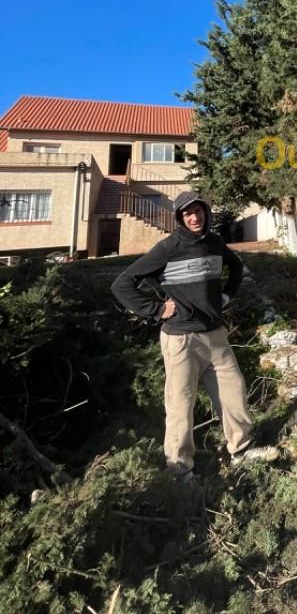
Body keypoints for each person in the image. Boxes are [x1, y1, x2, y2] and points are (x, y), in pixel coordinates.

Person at [112, 190, 275, 482]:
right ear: (179, 218)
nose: (194, 217)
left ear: (206, 213)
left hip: (215, 336)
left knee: (234, 392)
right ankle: (180, 472)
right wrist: (157, 310)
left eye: (198, 211)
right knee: (180, 405)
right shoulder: (168, 248)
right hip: (180, 340)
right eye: (187, 213)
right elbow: (122, 285)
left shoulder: (214, 243)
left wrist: (225, 296)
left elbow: (236, 267)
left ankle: (240, 449)